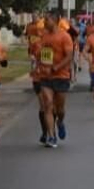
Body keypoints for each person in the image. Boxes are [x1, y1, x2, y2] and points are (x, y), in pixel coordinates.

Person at [29, 11, 74, 148]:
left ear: (54, 21)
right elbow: (38, 54)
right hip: (45, 76)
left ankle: (60, 122)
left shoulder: (64, 36)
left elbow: (69, 56)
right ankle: (51, 136)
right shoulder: (43, 36)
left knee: (59, 109)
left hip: (61, 76)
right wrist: (36, 57)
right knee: (47, 104)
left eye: (46, 20)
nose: (44, 22)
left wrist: (56, 67)